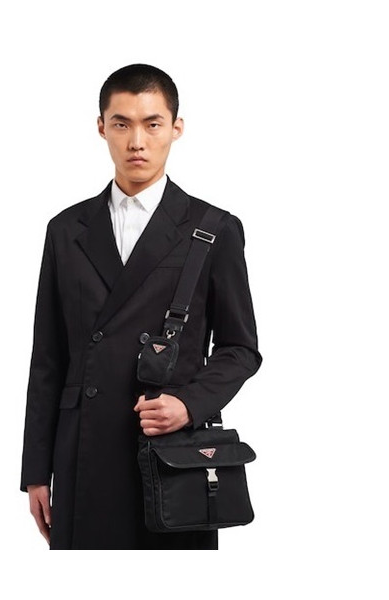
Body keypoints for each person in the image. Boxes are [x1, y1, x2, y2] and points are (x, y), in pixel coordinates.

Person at [20, 63, 262, 550]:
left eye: (152, 124)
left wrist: (189, 404)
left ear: (176, 128)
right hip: (82, 455)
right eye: (121, 124)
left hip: (171, 456)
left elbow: (240, 349)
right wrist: (36, 472)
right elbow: (48, 358)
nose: (137, 142)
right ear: (101, 127)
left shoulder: (213, 229)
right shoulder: (65, 230)